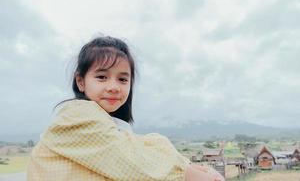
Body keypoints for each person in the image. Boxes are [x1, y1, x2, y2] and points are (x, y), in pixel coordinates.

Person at [27, 36, 224, 181]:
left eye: (122, 79)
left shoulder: (109, 125)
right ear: (80, 82)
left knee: (154, 142)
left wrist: (193, 167)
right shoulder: (76, 116)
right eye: (102, 77)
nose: (113, 86)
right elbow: (132, 162)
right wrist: (189, 173)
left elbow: (137, 149)